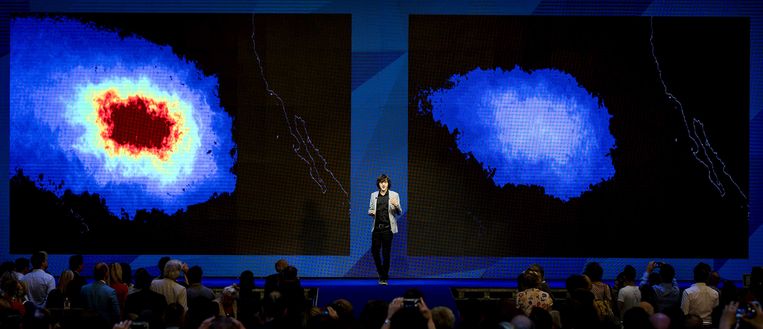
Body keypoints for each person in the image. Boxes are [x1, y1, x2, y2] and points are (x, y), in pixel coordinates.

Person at [368, 174, 402, 285]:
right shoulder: (374, 195)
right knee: (374, 251)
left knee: (386, 253)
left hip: (388, 229)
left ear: (388, 184)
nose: (383, 184)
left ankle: (384, 277)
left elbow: (399, 212)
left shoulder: (394, 195)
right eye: (381, 182)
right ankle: (381, 272)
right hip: (377, 228)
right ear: (379, 184)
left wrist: (396, 205)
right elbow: (371, 209)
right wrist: (371, 212)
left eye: (385, 182)